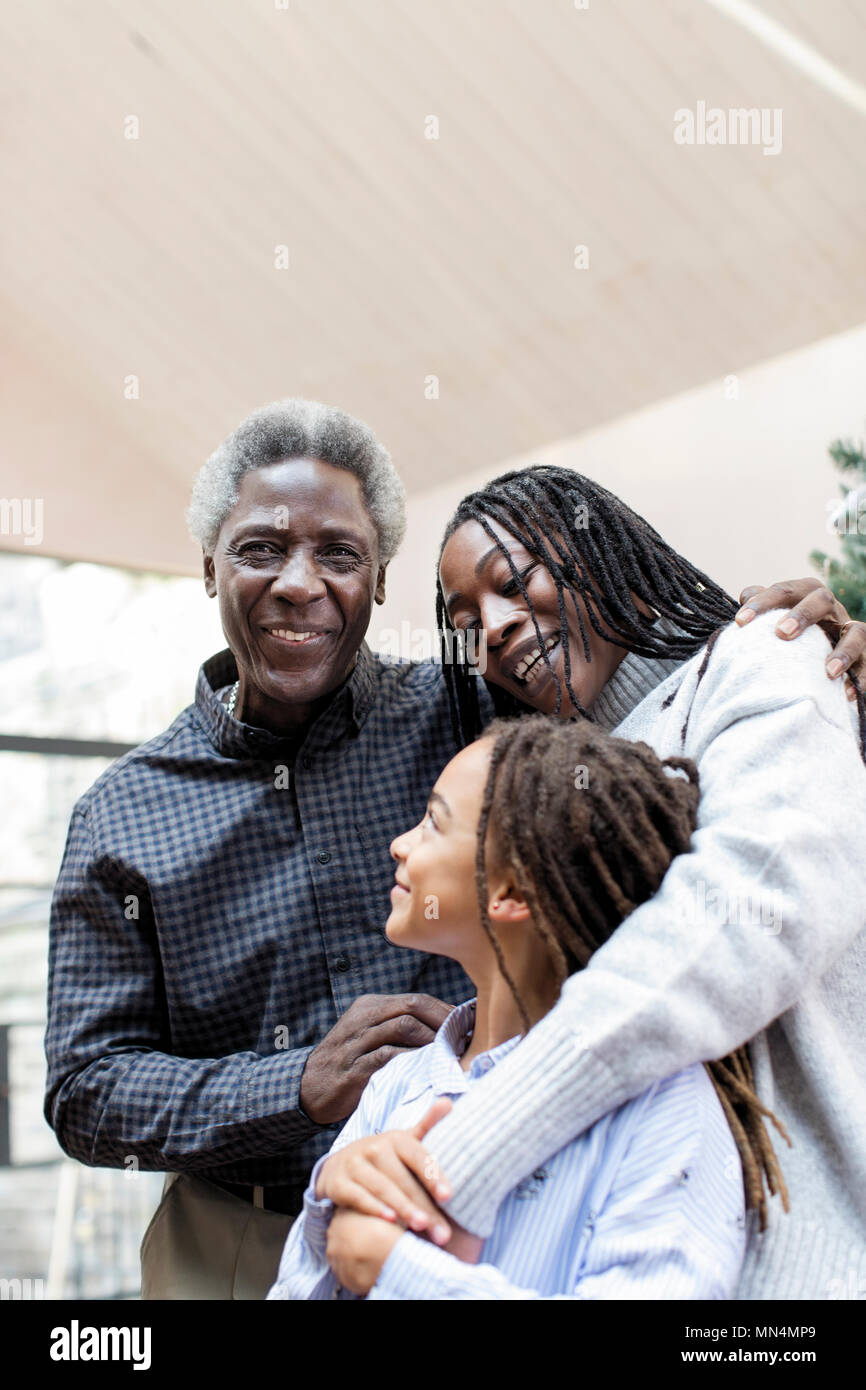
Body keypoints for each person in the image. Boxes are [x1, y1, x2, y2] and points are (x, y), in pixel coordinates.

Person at [42, 399, 865, 1300]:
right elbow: (87, 1086)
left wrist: (822, 662)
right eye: (262, 549)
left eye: (340, 555)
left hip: (497, 1213)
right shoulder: (122, 813)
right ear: (209, 566)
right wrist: (294, 1086)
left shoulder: (485, 715)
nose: (298, 583)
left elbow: (648, 718)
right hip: (235, 1241)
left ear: (382, 579)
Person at [309, 465, 866, 1301]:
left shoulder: (760, 660)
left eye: (514, 581)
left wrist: (452, 1162)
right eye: (464, 623)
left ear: (598, 549)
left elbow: (750, 916)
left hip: (797, 1269)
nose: (492, 628)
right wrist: (356, 1176)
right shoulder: (542, 788)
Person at [269, 717, 788, 1299]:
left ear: (512, 892)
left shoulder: (663, 1106)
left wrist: (402, 1274)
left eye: (433, 823)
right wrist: (330, 1204)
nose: (401, 843)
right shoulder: (397, 1082)